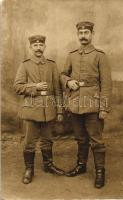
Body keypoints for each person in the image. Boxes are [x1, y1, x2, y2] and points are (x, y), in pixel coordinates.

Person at [60, 21, 112, 188]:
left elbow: (106, 84)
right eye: (80, 33)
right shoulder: (72, 55)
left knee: (96, 140)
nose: (83, 35)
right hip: (75, 104)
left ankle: (99, 172)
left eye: (86, 33)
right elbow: (62, 74)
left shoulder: (100, 56)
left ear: (92, 35)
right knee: (81, 139)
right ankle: (81, 166)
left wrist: (104, 107)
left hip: (93, 105)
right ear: (78, 35)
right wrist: (68, 82)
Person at [14, 35, 64, 184]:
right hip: (31, 109)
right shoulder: (25, 65)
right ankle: (29, 169)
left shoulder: (52, 65)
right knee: (29, 141)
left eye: (40, 45)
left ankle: (48, 165)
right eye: (35, 45)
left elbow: (58, 90)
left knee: (47, 140)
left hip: (49, 109)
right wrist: (34, 87)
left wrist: (60, 111)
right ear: (31, 48)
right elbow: (17, 87)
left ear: (44, 47)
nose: (38, 48)